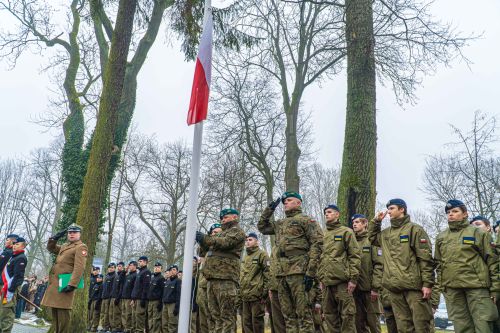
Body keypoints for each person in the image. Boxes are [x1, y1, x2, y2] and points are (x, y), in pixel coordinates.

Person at [258, 191, 323, 333]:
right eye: (284, 201)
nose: (285, 203)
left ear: (298, 202)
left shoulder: (306, 220)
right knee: (288, 316)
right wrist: (270, 209)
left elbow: (317, 245)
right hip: (281, 274)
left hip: (299, 271)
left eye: (289, 200)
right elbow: (262, 227)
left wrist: (311, 272)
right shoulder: (280, 223)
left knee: (304, 314)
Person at [368, 198, 434, 333]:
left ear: (402, 209)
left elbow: (425, 258)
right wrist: (376, 221)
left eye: (392, 208)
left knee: (422, 326)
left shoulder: (415, 230)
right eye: (388, 209)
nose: (388, 212)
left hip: (414, 287)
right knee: (404, 327)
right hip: (394, 288)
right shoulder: (386, 234)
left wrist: (427, 283)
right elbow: (371, 237)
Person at [435, 199, 500, 332]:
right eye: (448, 212)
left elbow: (492, 262)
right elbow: (438, 264)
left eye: (455, 211)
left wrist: (495, 289)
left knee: (483, 325)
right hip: (453, 290)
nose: (451, 214)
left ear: (465, 214)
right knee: (461, 327)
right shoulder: (441, 237)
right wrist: (442, 286)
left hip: (477, 288)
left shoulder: (478, 233)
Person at [196, 208, 246, 333]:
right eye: (221, 218)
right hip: (211, 279)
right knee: (215, 317)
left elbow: (224, 243)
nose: (223, 220)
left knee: (227, 317)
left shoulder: (237, 232)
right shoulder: (219, 234)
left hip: (226, 279)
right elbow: (202, 251)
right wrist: (201, 240)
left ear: (234, 217)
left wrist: (205, 238)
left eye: (225, 217)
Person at [318, 204, 361, 332]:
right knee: (330, 317)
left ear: (337, 214)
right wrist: (320, 278)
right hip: (326, 284)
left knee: (347, 317)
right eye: (325, 212)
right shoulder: (323, 234)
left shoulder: (346, 232)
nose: (326, 214)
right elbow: (319, 258)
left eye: (330, 212)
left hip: (342, 283)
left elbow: (354, 256)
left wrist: (353, 279)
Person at [41, 224, 88, 333]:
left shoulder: (81, 247)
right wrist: (54, 238)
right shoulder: (65, 246)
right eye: (70, 232)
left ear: (79, 234)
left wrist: (72, 284)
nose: (71, 234)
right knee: (56, 313)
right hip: (56, 283)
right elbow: (51, 248)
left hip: (65, 283)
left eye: (74, 232)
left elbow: (79, 267)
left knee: (63, 314)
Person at [351, 214, 383, 333]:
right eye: (353, 222)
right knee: (358, 324)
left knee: (373, 323)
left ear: (365, 224)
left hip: (370, 290)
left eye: (358, 222)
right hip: (354, 290)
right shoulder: (350, 241)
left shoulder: (371, 241)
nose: (354, 224)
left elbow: (379, 265)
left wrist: (375, 287)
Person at [240, 232, 270, 333]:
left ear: (257, 242)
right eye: (246, 240)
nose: (247, 242)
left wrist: (264, 293)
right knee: (246, 323)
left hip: (257, 296)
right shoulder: (245, 257)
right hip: (245, 296)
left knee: (257, 323)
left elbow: (268, 274)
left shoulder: (262, 254)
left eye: (250, 240)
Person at [196, 223, 222, 333]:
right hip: (202, 289)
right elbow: (200, 253)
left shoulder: (223, 248)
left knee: (215, 322)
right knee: (203, 323)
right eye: (213, 233)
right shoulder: (206, 250)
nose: (215, 235)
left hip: (215, 290)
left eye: (218, 232)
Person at [0, 236, 27, 333]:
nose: (15, 246)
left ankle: (6, 331)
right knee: (2, 312)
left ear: (23, 246)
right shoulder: (14, 256)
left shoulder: (21, 258)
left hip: (11, 289)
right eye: (14, 244)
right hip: (6, 287)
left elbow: (17, 276)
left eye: (17, 244)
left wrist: (11, 290)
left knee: (7, 312)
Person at [268, 246, 286, 333]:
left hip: (286, 286)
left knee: (289, 317)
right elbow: (271, 270)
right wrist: (270, 288)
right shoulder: (274, 248)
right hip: (274, 289)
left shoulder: (289, 242)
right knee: (277, 320)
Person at [131, 256, 151, 333]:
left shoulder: (147, 272)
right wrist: (133, 298)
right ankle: (136, 331)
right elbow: (136, 287)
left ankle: (139, 331)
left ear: (146, 262)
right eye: (139, 261)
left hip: (141, 299)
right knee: (135, 316)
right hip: (136, 298)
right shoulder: (140, 272)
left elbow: (146, 287)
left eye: (141, 261)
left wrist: (143, 299)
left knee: (140, 316)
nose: (139, 263)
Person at [161, 265, 181, 333]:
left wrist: (177, 307)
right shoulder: (168, 281)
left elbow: (178, 295)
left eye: (174, 269)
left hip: (172, 305)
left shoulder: (178, 281)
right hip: (165, 304)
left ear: (177, 271)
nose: (172, 271)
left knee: (172, 324)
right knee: (164, 323)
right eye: (171, 270)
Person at [147, 261, 165, 333]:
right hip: (150, 301)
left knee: (156, 319)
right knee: (150, 318)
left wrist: (160, 303)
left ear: (161, 269)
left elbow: (162, 292)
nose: (156, 269)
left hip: (156, 301)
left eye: (158, 267)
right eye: (155, 267)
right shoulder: (152, 278)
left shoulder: (161, 278)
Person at [121, 261, 138, 333]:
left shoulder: (136, 275)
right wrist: (124, 271)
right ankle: (125, 328)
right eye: (129, 265)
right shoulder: (128, 275)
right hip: (124, 297)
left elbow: (135, 288)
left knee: (128, 314)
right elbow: (121, 280)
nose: (129, 266)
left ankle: (129, 329)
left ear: (135, 266)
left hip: (129, 298)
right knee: (123, 314)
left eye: (130, 265)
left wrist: (133, 299)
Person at [100, 262, 117, 332]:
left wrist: (110, 297)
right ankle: (103, 326)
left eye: (112, 267)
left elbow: (113, 288)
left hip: (109, 297)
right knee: (103, 312)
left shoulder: (115, 276)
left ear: (114, 268)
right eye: (109, 267)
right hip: (104, 297)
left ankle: (107, 327)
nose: (110, 269)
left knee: (107, 313)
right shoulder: (106, 276)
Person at [110, 261, 126, 333]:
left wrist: (118, 297)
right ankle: (114, 327)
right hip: (113, 296)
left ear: (123, 267)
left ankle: (118, 327)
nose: (118, 267)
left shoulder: (123, 276)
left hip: (118, 297)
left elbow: (121, 288)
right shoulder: (116, 275)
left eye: (120, 266)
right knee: (112, 313)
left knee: (118, 313)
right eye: (118, 266)